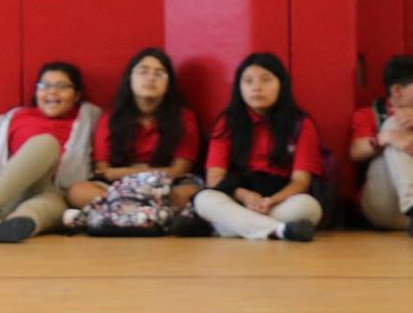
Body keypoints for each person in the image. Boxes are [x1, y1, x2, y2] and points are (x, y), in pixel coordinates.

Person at [64, 49, 203, 228]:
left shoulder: (184, 118)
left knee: (191, 192)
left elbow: (179, 170)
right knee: (77, 192)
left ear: (169, 85)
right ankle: (152, 215)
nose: (151, 78)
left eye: (159, 73)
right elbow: (103, 170)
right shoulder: (111, 118)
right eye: (143, 71)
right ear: (130, 79)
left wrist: (124, 172)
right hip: (118, 187)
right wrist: (139, 172)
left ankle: (120, 214)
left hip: (165, 187)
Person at [192, 53, 323, 241]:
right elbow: (214, 179)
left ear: (281, 85)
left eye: (266, 80)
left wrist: (270, 201)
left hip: (278, 201)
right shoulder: (227, 122)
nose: (256, 87)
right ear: (239, 87)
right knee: (204, 200)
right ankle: (279, 230)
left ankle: (228, 227)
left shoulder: (301, 124)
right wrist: (245, 196)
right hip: (238, 199)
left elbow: (300, 181)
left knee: (309, 207)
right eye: (248, 81)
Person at [0, 62, 101, 244]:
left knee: (46, 205)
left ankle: (11, 226)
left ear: (77, 95)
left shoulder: (89, 119)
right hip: (11, 193)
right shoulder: (17, 117)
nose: (52, 92)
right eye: (45, 86)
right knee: (46, 143)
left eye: (62, 86)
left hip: (57, 195)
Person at [349, 54, 413, 233]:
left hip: (405, 221)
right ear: (397, 91)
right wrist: (384, 138)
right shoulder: (368, 114)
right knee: (393, 126)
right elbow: (355, 152)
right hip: (383, 203)